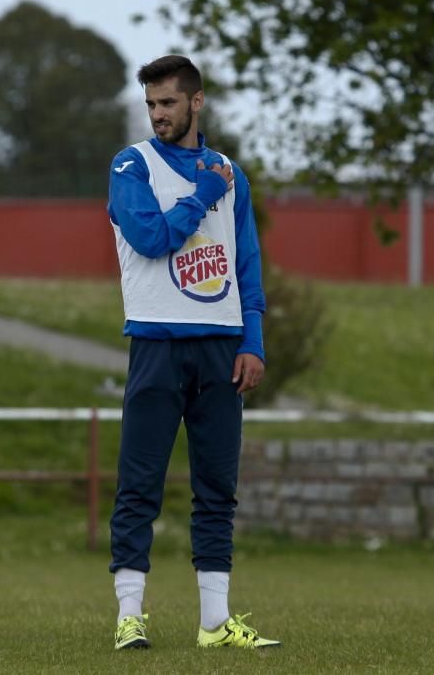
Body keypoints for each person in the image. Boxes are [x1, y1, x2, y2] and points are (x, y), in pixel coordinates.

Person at [107, 55, 279, 651]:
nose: (157, 114)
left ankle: (214, 623)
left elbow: (246, 262)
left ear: (196, 102)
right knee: (139, 485)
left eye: (168, 103)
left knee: (216, 488)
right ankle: (130, 616)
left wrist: (252, 341)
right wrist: (204, 193)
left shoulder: (231, 171)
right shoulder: (132, 164)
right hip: (156, 342)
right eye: (151, 104)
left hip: (221, 347)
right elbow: (151, 239)